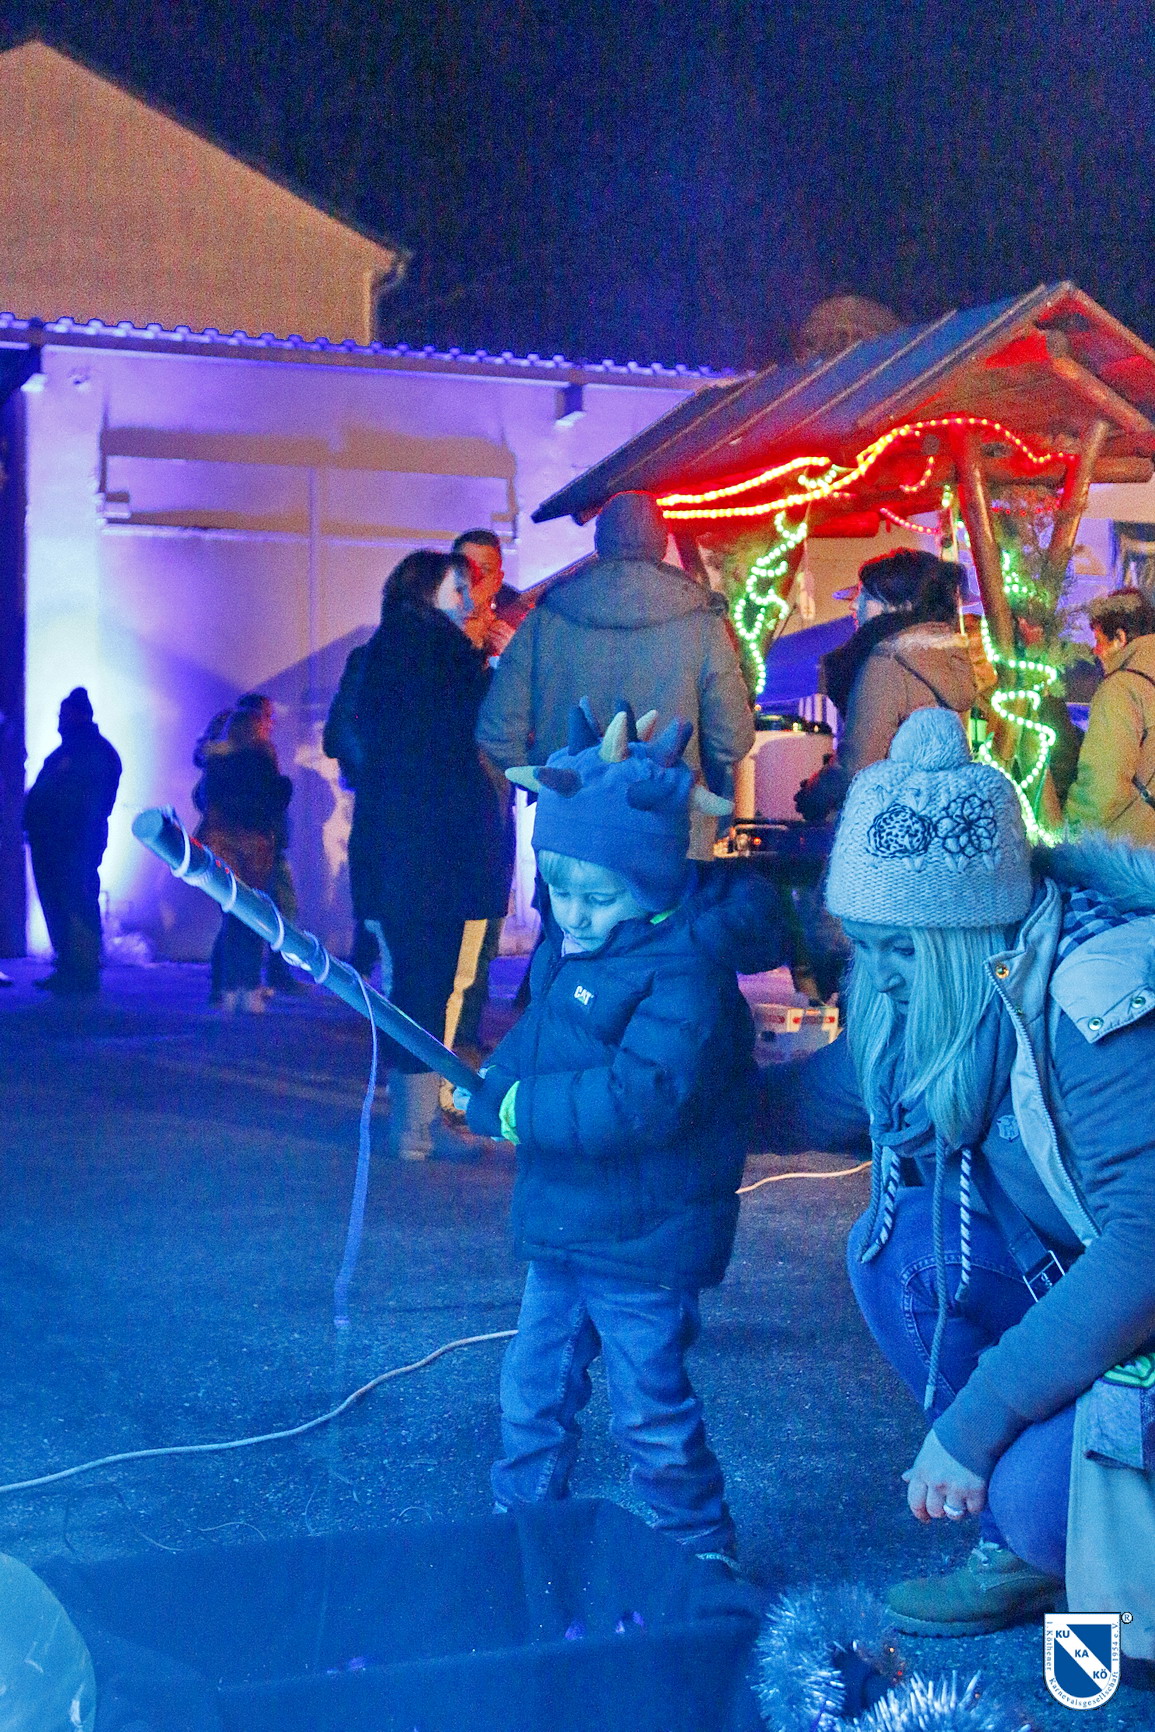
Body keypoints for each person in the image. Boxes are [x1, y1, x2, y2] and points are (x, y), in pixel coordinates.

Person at [765, 708, 1155, 1661]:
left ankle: (1052, 1525)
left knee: (1028, 1499)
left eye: (900, 949)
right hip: (1107, 1294)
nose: (879, 976)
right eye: (863, 944)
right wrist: (669, 1099)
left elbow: (1144, 1249)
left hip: (1137, 1282)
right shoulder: (945, 989)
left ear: (967, 931)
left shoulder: (1096, 1001)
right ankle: (1038, 1527)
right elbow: (812, 1105)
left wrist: (973, 1426)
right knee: (898, 1249)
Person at [457, 702, 786, 1562]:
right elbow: (540, 1036)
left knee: (648, 1410)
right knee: (532, 1389)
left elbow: (642, 1098)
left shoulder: (686, 975)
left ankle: (698, 1549)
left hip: (645, 1234)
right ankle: (522, 1531)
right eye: (557, 890)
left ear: (655, 881)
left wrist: (521, 1112)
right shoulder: (576, 947)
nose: (572, 913)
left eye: (597, 897)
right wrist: (493, 1082)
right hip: (566, 1219)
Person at [324, 549, 507, 1159]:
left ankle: (414, 1125)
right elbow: (483, 730)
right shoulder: (446, 657)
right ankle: (418, 1127)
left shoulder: (379, 653)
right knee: (433, 986)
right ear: (427, 592)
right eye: (458, 588)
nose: (469, 599)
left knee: (413, 985)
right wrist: (493, 663)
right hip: (439, 848)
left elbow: (350, 738)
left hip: (392, 843)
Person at [476, 491, 754, 863]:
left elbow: (497, 732)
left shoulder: (547, 616)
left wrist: (552, 781)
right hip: (669, 827)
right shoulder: (701, 621)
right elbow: (733, 740)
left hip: (570, 826)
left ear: (599, 540)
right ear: (661, 541)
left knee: (574, 901)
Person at [794, 549, 977, 822]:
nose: (853, 606)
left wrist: (815, 792)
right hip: (943, 818)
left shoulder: (887, 661)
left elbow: (858, 765)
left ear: (898, 605)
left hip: (891, 821)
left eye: (865, 595)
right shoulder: (947, 657)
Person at [22, 688, 121, 995]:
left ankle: (80, 970)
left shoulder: (87, 753)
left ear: (77, 715)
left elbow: (87, 801)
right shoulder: (82, 751)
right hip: (61, 840)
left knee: (74, 902)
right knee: (64, 903)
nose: (59, 721)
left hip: (72, 841)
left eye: (64, 715)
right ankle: (71, 967)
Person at [196, 708, 292, 1014]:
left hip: (222, 846)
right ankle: (248, 989)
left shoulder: (215, 761)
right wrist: (284, 786)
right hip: (254, 846)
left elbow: (204, 799)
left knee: (231, 917)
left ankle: (226, 989)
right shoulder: (260, 758)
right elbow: (271, 799)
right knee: (253, 917)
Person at [1065, 586, 1155, 844]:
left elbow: (1103, 785)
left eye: (1099, 640)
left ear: (1120, 637)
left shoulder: (1122, 688)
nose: (1095, 651)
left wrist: (1073, 835)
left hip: (1134, 848)